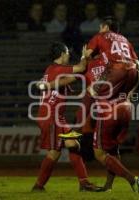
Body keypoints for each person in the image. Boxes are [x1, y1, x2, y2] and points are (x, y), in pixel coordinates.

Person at [32, 42, 101, 192]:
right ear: (62, 54)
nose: (69, 55)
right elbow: (81, 69)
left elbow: (68, 81)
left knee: (74, 145)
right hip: (51, 117)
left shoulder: (52, 70)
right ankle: (39, 186)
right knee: (54, 152)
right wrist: (84, 56)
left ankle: (84, 183)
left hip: (56, 117)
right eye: (67, 52)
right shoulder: (57, 69)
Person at [84, 16, 139, 192]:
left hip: (107, 109)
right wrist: (130, 93)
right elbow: (138, 69)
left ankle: (133, 179)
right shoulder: (124, 44)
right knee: (113, 149)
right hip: (125, 107)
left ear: (105, 27)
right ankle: (108, 186)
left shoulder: (98, 49)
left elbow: (86, 59)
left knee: (100, 153)